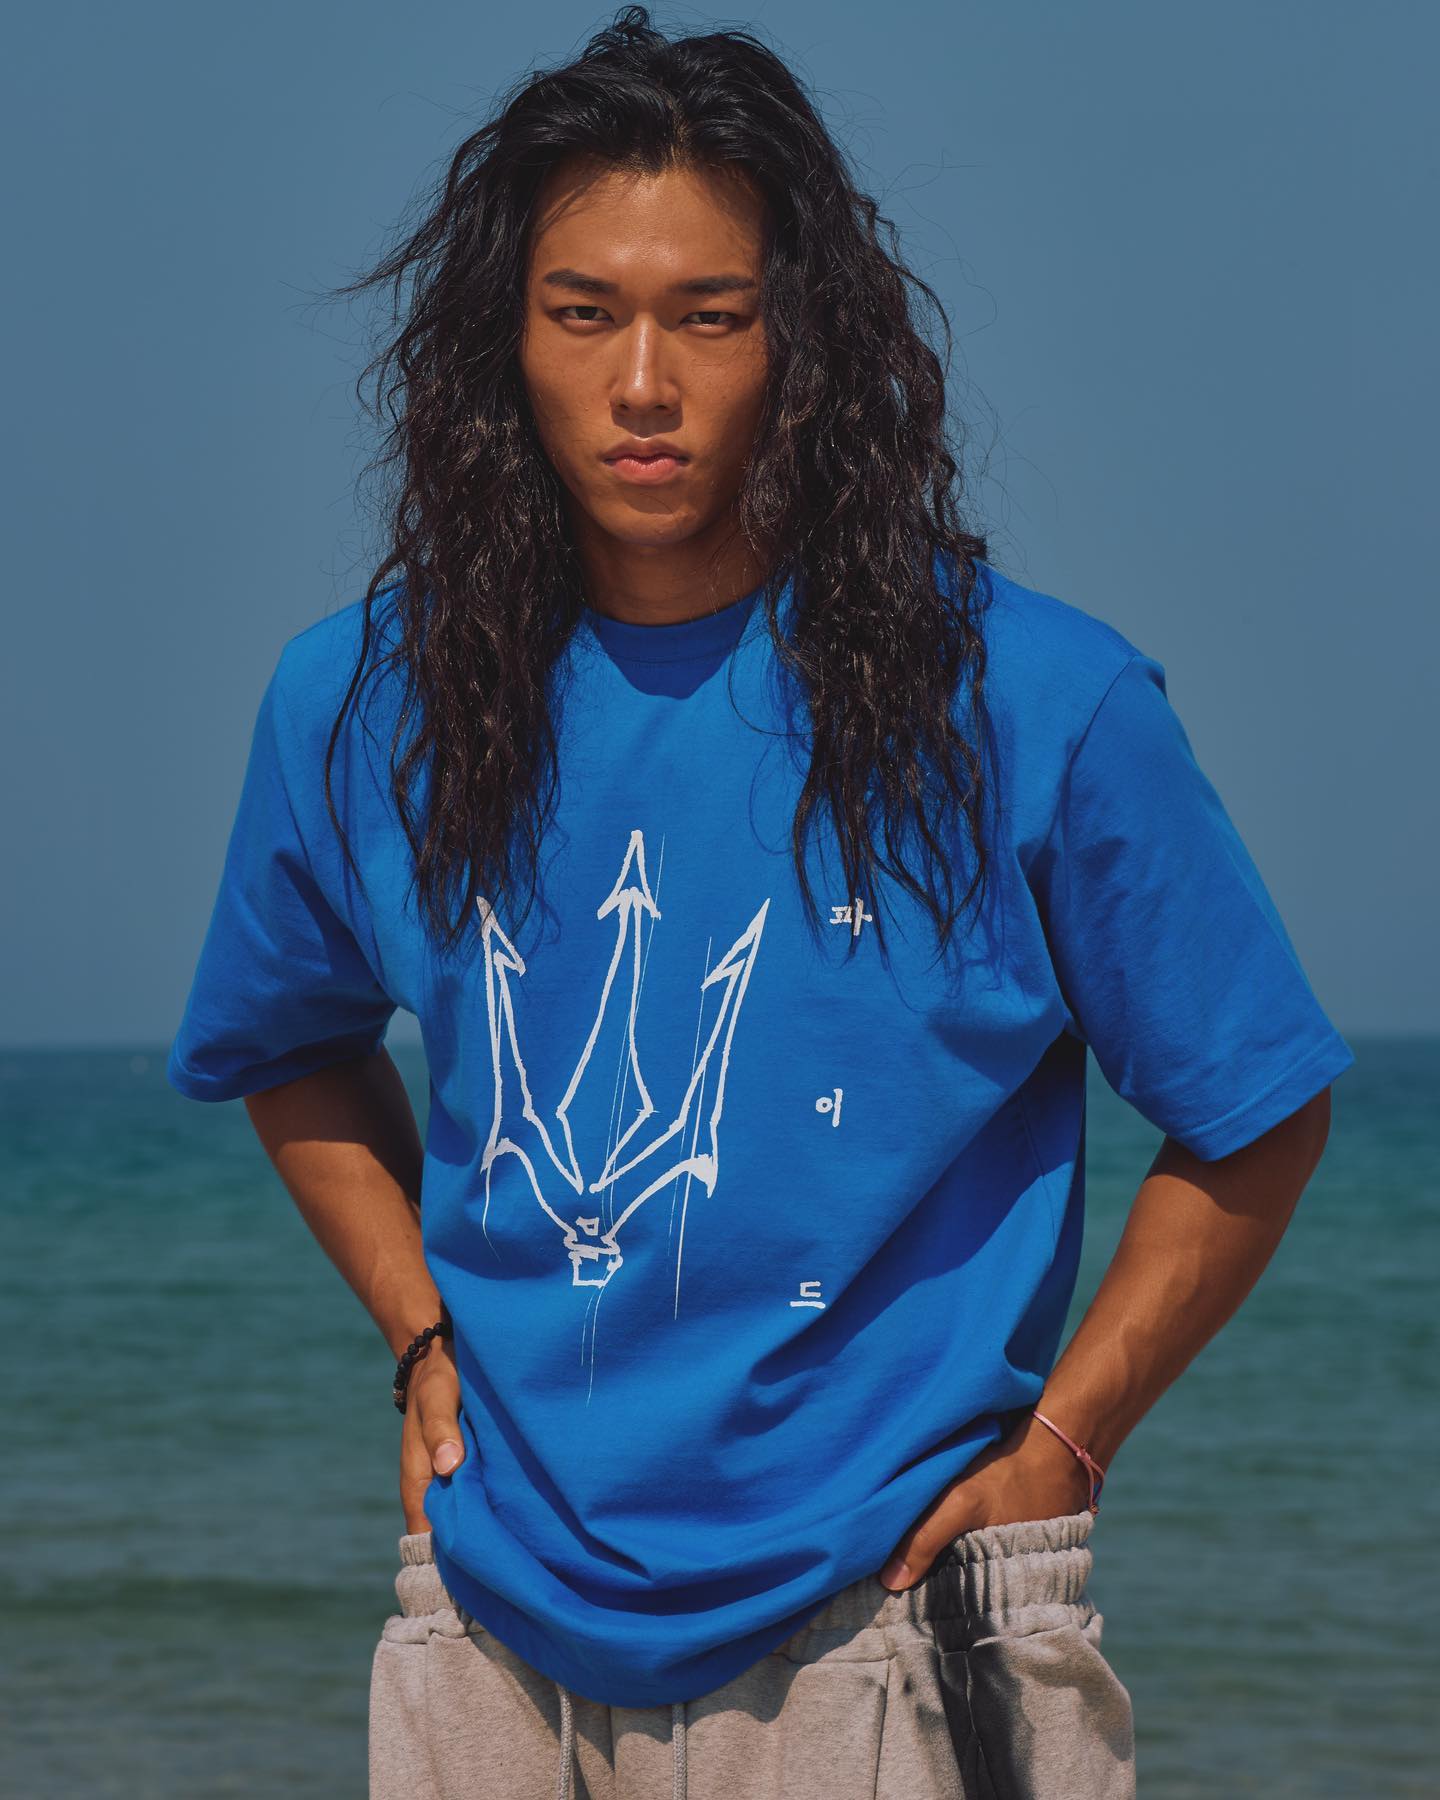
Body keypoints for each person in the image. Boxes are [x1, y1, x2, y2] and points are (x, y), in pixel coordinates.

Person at [165, 9, 1355, 1797]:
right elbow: (288, 1043)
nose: (644, 382)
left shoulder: (1031, 703)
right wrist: (418, 1331)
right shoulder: (360, 703)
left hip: (893, 1617)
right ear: (505, 339)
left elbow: (1256, 1105)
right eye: (584, 313)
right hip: (486, 1616)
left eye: (710, 316)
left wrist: (1066, 1444)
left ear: (802, 339)